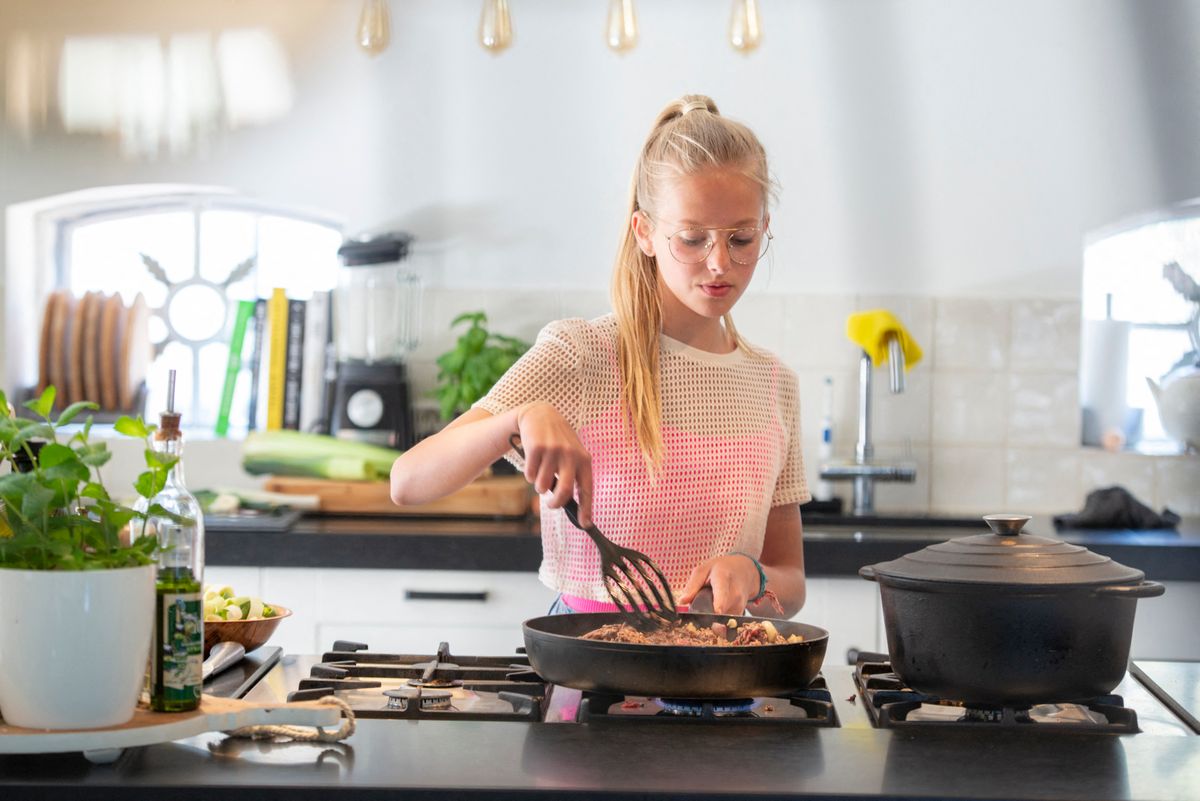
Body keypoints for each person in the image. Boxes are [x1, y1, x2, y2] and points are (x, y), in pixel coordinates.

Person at [391, 94, 808, 618]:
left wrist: (756, 574)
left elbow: (790, 584)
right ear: (646, 234)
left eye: (741, 238)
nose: (719, 262)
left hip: (717, 675)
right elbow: (407, 481)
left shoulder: (774, 384)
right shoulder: (582, 355)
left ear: (764, 226)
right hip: (588, 665)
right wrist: (519, 418)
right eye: (693, 238)